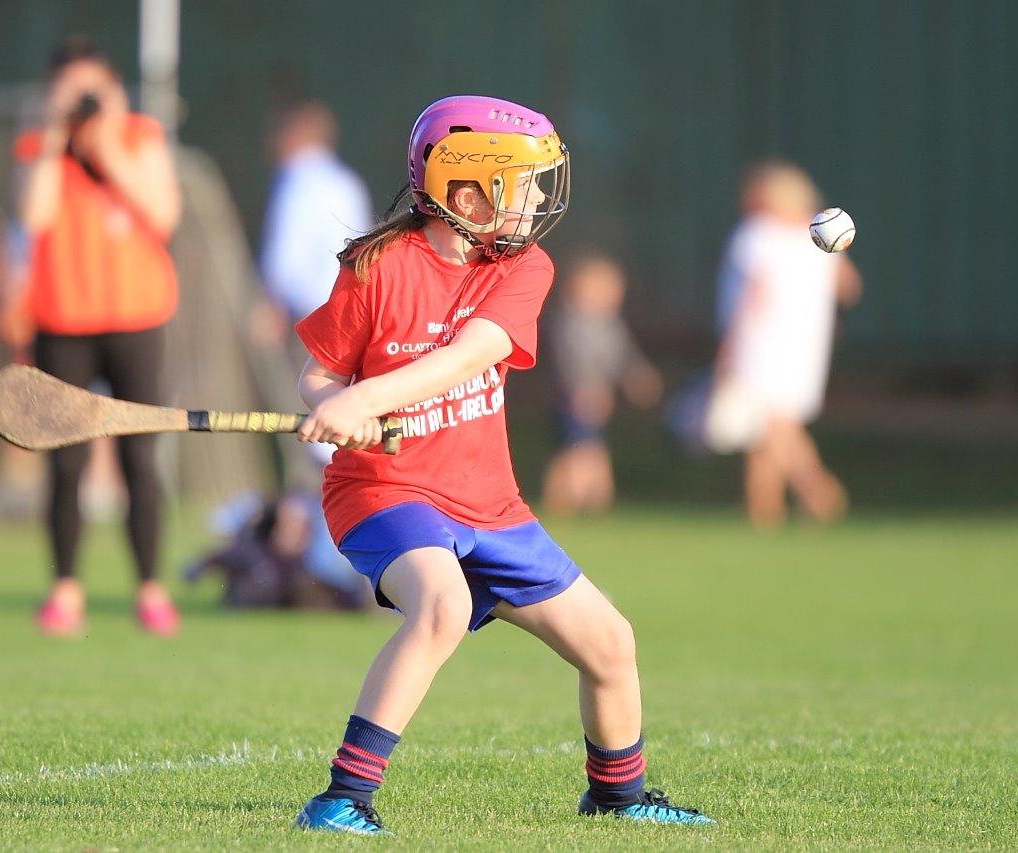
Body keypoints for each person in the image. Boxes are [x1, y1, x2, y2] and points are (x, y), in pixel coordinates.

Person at [288, 95, 715, 834]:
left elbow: (468, 356)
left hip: (488, 501)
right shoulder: (376, 266)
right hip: (386, 490)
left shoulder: (524, 267)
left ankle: (617, 794)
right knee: (442, 606)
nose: (538, 200)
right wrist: (335, 408)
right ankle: (341, 798)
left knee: (611, 643)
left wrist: (373, 395)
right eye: (522, 184)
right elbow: (319, 373)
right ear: (465, 191)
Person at [11, 36, 183, 635]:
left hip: (137, 320)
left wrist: (107, 142)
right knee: (65, 463)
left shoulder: (139, 137)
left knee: (140, 454)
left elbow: (163, 215)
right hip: (62, 322)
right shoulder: (40, 146)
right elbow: (32, 217)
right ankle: (65, 591)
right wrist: (57, 135)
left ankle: (151, 590)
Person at [715, 161, 862, 528]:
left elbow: (752, 298)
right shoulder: (817, 236)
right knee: (769, 430)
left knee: (774, 428)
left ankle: (821, 494)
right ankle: (766, 512)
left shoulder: (756, 234)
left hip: (762, 345)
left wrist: (728, 351)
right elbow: (849, 288)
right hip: (806, 345)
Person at [541, 252, 663, 515]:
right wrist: (583, 389)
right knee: (575, 452)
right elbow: (569, 359)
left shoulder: (609, 325)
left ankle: (596, 507)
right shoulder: (571, 324)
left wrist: (638, 377)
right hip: (574, 398)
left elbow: (623, 357)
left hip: (597, 399)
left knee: (592, 448)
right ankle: (561, 506)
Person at [253, 99, 373, 343]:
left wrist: (270, 304)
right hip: (353, 313)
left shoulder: (296, 179)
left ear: (289, 137)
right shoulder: (347, 181)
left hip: (308, 319)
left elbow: (284, 257)